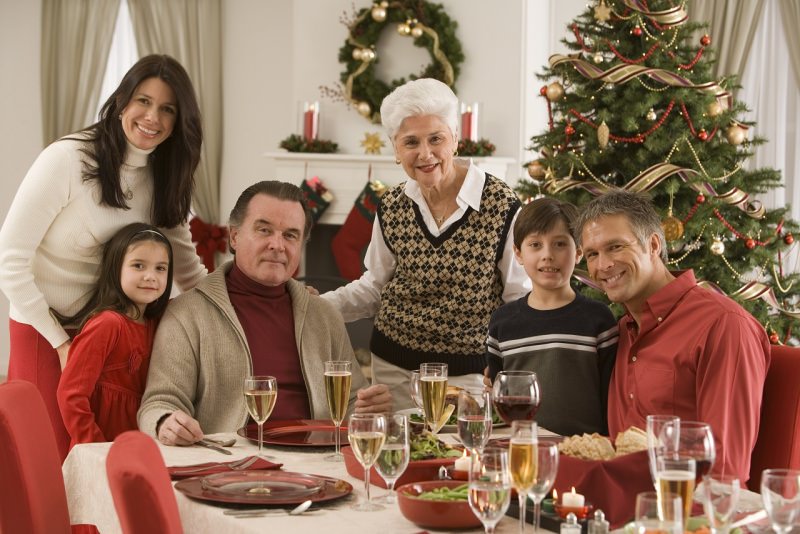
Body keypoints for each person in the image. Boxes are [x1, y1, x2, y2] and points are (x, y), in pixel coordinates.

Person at [0, 54, 206, 459]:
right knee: (50, 461)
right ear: (122, 101)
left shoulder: (166, 177)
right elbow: (9, 259)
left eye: (168, 108)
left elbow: (189, 271)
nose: (152, 117)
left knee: (105, 459)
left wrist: (243, 298)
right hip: (47, 331)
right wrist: (61, 344)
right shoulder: (68, 159)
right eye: (143, 101)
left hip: (113, 337)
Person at [322, 78, 530, 409]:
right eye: (411, 142)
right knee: (400, 453)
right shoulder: (391, 205)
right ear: (395, 148)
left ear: (455, 140)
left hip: (469, 375)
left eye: (436, 139)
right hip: (393, 369)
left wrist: (504, 367)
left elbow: (518, 298)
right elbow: (373, 288)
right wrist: (317, 307)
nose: (425, 153)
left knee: (463, 458)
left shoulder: (500, 204)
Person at [138, 181, 391, 446]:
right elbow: (159, 402)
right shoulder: (186, 313)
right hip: (234, 463)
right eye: (264, 230)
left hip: (319, 462)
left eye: (290, 235)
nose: (277, 245)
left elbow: (352, 402)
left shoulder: (324, 314)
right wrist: (166, 422)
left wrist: (369, 409)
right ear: (234, 237)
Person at [574, 189, 769, 481]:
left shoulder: (724, 326)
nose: (602, 266)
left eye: (615, 247)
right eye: (592, 254)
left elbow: (724, 472)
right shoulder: (623, 330)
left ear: (653, 244)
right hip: (619, 502)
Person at [486, 197, 618, 436]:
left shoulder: (599, 320)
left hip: (583, 453)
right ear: (518, 253)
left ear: (578, 252)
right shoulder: (502, 323)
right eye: (535, 245)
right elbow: (499, 401)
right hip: (521, 451)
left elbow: (612, 399)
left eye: (559, 244)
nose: (547, 255)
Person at [56, 223, 172, 448]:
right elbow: (70, 395)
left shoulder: (157, 323)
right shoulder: (107, 324)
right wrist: (95, 448)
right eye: (138, 266)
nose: (150, 276)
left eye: (160, 268)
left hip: (139, 449)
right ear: (116, 268)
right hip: (100, 450)